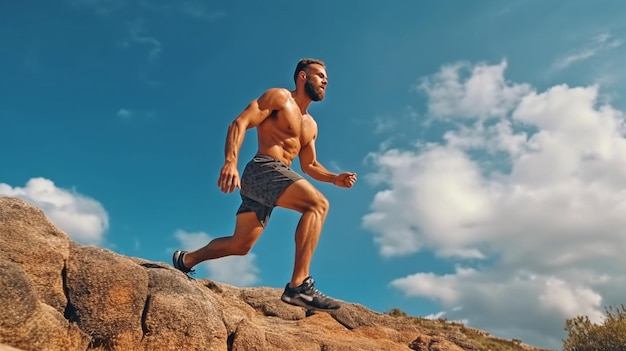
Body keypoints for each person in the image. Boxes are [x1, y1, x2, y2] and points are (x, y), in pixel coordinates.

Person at [172, 58, 357, 311]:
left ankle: (185, 259)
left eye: (326, 78)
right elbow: (240, 123)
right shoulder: (279, 97)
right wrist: (230, 162)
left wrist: (334, 178)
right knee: (318, 205)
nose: (325, 80)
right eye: (320, 75)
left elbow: (310, 165)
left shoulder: (311, 126)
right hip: (263, 168)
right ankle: (299, 286)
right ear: (303, 76)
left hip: (274, 179)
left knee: (240, 245)